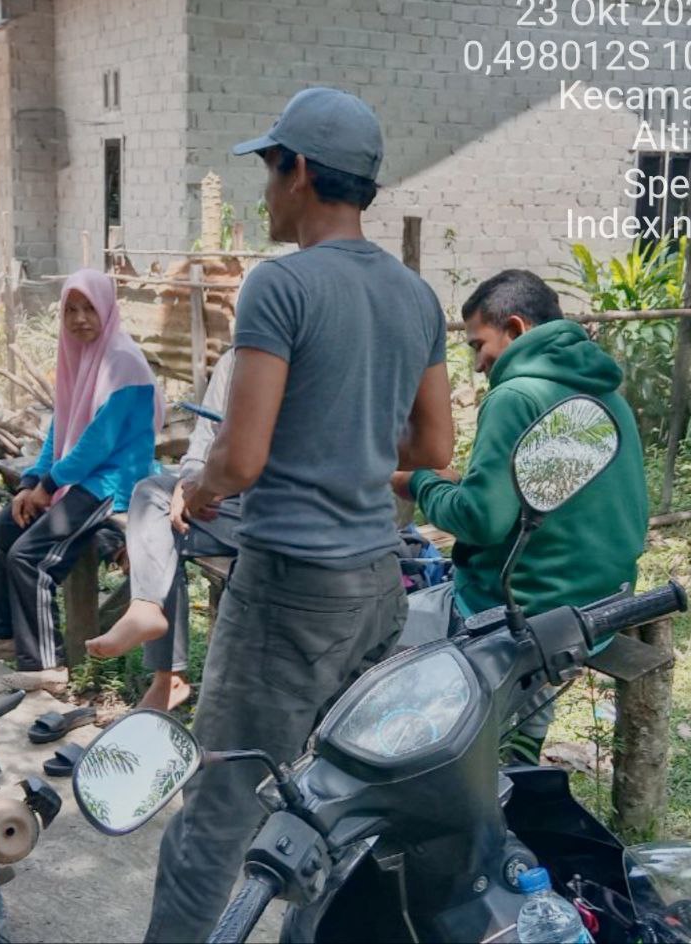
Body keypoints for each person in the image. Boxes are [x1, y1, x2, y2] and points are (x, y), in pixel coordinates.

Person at [143, 86, 453, 942]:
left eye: (269, 170)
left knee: (219, 808)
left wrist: (195, 491)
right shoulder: (415, 297)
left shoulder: (279, 286)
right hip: (377, 585)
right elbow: (432, 449)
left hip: (288, 590)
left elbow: (238, 460)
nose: (264, 192)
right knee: (335, 799)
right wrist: (349, 455)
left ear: (302, 173)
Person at [394, 269, 648, 765]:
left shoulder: (515, 396)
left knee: (387, 638)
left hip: (525, 616)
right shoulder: (608, 395)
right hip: (599, 607)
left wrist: (421, 481)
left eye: (478, 345)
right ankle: (522, 742)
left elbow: (481, 521)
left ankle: (467, 756)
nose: (478, 364)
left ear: (514, 329)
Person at [0, 268, 160, 693]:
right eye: (71, 309)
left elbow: (98, 443)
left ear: (107, 309)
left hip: (114, 483)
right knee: (1, 532)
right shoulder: (78, 354)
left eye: (89, 308)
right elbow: (61, 428)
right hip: (80, 478)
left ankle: (48, 666)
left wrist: (48, 487)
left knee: (31, 556)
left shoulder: (123, 360)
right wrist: (32, 480)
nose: (80, 318)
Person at [85, 347, 240, 711]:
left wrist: (205, 485)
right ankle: (166, 672)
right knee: (154, 497)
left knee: (155, 514)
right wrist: (188, 483)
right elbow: (203, 444)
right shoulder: (234, 361)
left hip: (274, 513)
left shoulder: (294, 362)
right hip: (221, 504)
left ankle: (167, 669)